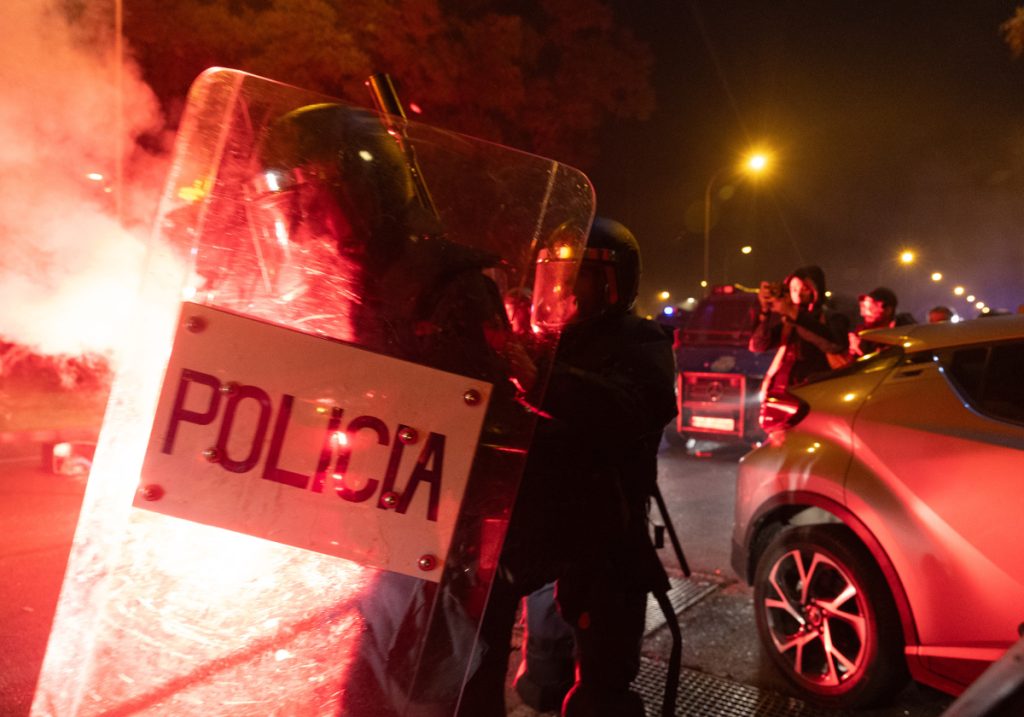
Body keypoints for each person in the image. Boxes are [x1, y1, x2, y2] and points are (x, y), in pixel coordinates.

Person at [457, 217, 678, 717]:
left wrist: (540, 380)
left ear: (611, 283)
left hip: (604, 528)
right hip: (526, 526)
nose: (559, 291)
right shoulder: (536, 340)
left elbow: (631, 405)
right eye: (551, 277)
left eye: (573, 278)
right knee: (479, 661)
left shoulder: (640, 342)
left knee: (603, 684)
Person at [749, 265, 849, 398]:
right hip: (783, 392)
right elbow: (758, 345)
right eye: (794, 288)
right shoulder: (789, 322)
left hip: (816, 393)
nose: (798, 293)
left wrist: (795, 315)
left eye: (805, 288)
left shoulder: (832, 317)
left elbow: (835, 345)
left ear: (816, 290)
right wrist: (764, 312)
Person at [848, 286, 915, 358]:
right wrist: (855, 351)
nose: (864, 314)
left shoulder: (906, 332)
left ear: (888, 310)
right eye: (865, 307)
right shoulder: (862, 335)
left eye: (872, 308)